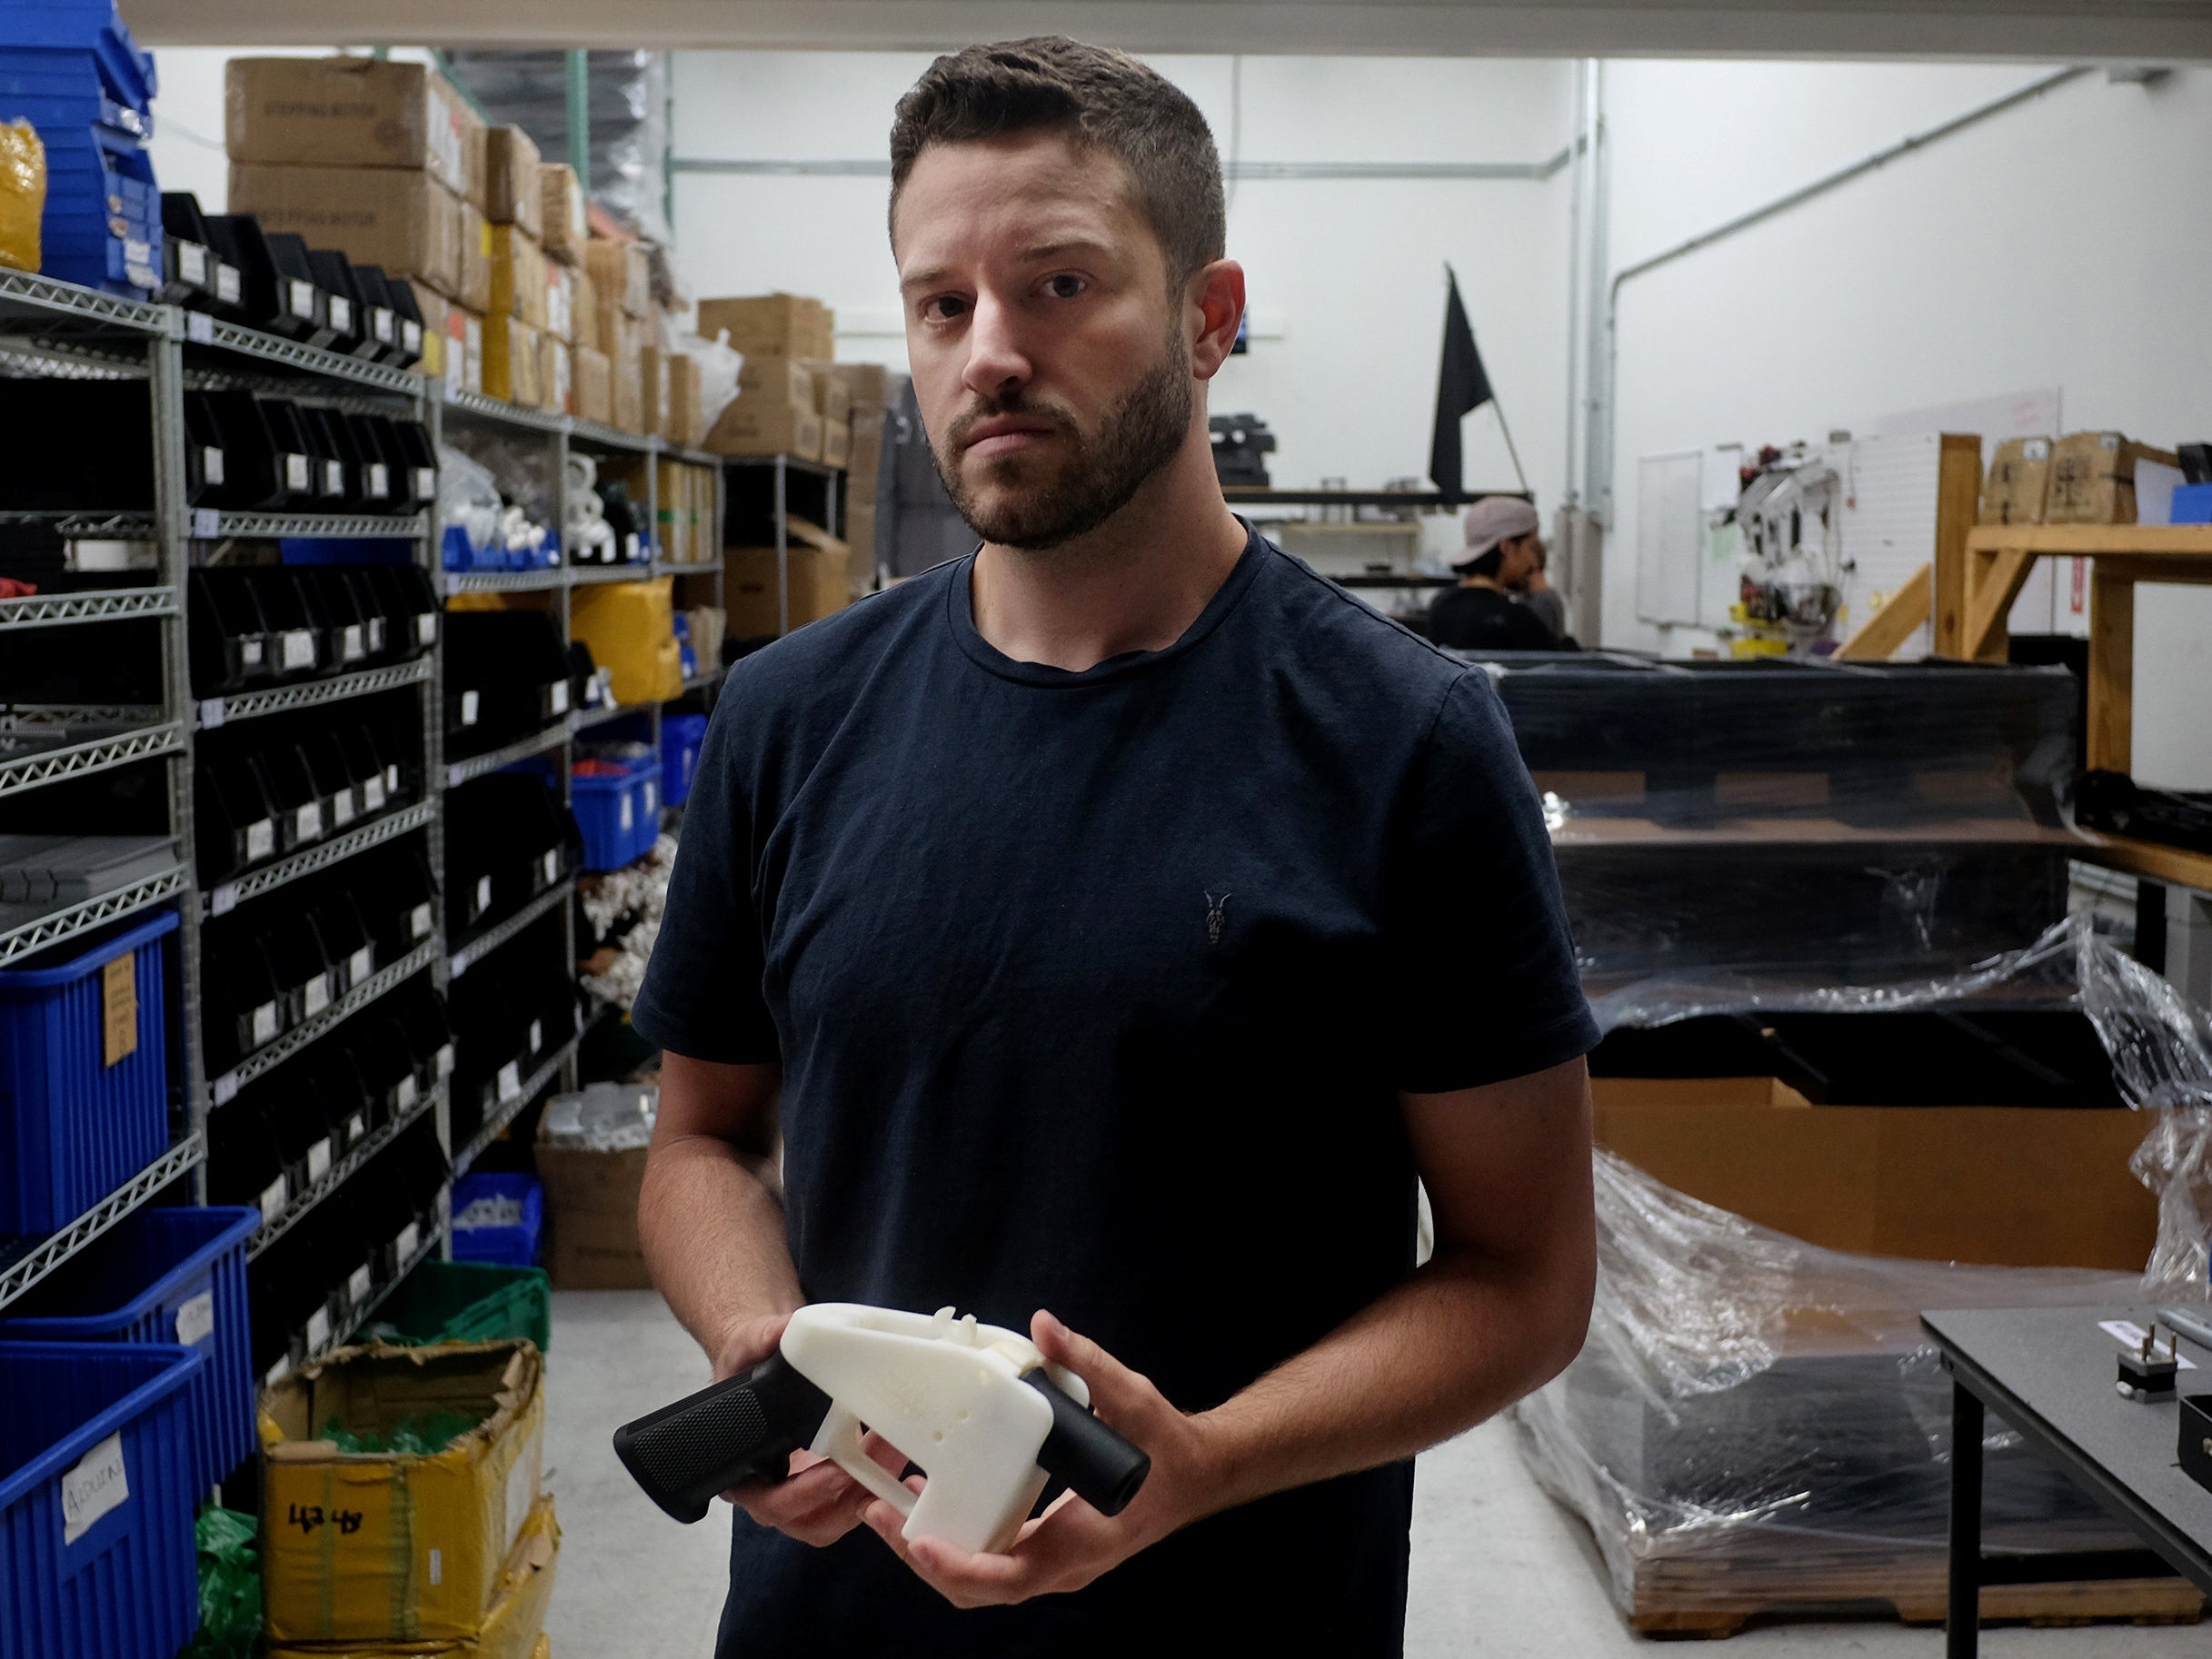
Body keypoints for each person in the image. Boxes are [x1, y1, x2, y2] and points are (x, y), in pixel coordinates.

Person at [631, 36, 1598, 1658]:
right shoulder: (788, 718)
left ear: (1209, 320)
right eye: (941, 305)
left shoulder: (1400, 741)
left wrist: (1205, 1463)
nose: (989, 352)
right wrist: (756, 1340)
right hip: (833, 1624)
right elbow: (697, 1146)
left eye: (1058, 285)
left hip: (1236, 1615)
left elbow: (1519, 1276)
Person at [1426, 496, 1561, 651]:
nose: (1532, 561)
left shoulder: (1441, 605)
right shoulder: (1517, 621)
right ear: (1507, 547)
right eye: (1530, 548)